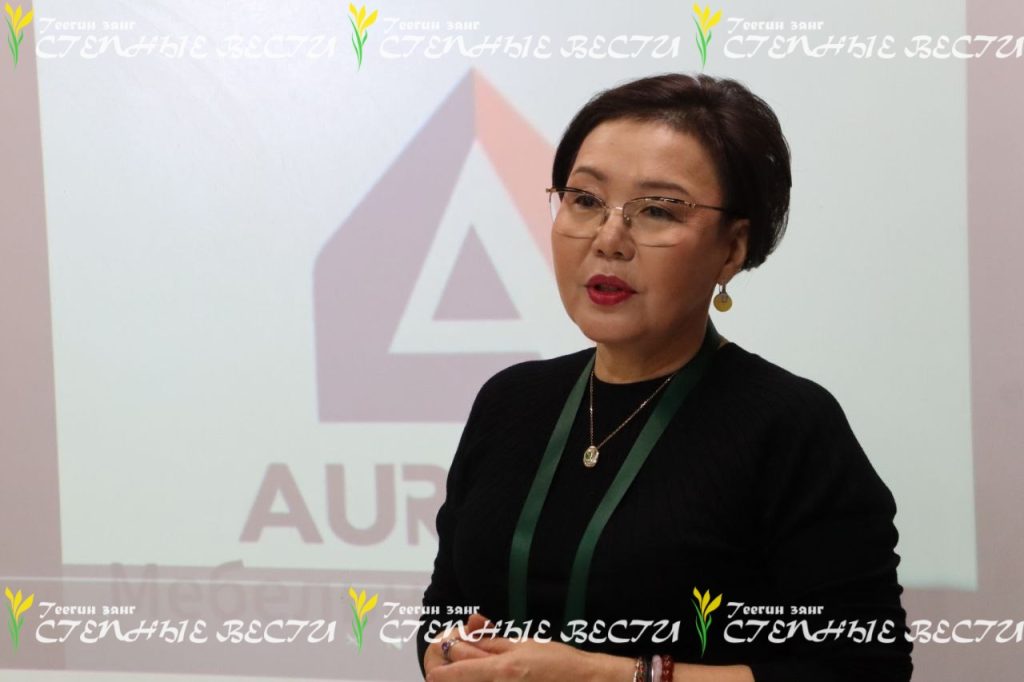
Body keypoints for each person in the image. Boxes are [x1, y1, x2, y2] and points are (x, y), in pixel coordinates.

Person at [417, 73, 913, 681]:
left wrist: (615, 676)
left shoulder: (789, 426)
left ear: (732, 249)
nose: (609, 239)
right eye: (585, 200)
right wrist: (447, 652)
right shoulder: (510, 400)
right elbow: (445, 609)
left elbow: (864, 669)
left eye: (656, 210)